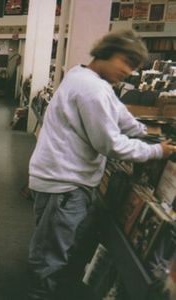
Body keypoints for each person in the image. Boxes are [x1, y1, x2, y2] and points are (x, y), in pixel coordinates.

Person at [26, 29, 176, 300]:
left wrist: (148, 132)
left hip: (63, 181)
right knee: (50, 258)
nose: (129, 72)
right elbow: (110, 144)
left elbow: (119, 115)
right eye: (126, 62)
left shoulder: (87, 78)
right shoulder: (91, 88)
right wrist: (156, 151)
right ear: (107, 52)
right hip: (64, 185)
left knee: (55, 251)